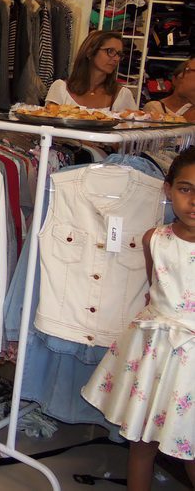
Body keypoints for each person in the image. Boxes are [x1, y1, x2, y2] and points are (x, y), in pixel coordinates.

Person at [81, 146, 195, 491]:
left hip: (191, 361)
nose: (194, 202)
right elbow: (155, 288)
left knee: (190, 447)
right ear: (168, 189)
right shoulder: (154, 239)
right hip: (154, 352)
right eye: (186, 189)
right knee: (142, 442)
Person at [44, 29, 137, 111]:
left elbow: (132, 125)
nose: (116, 58)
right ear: (89, 52)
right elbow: (48, 122)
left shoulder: (122, 95)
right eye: (110, 51)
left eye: (119, 54)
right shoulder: (61, 88)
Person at [142, 58, 195, 122]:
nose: (181, 76)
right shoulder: (154, 106)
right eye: (186, 70)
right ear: (174, 79)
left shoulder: (190, 108)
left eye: (188, 71)